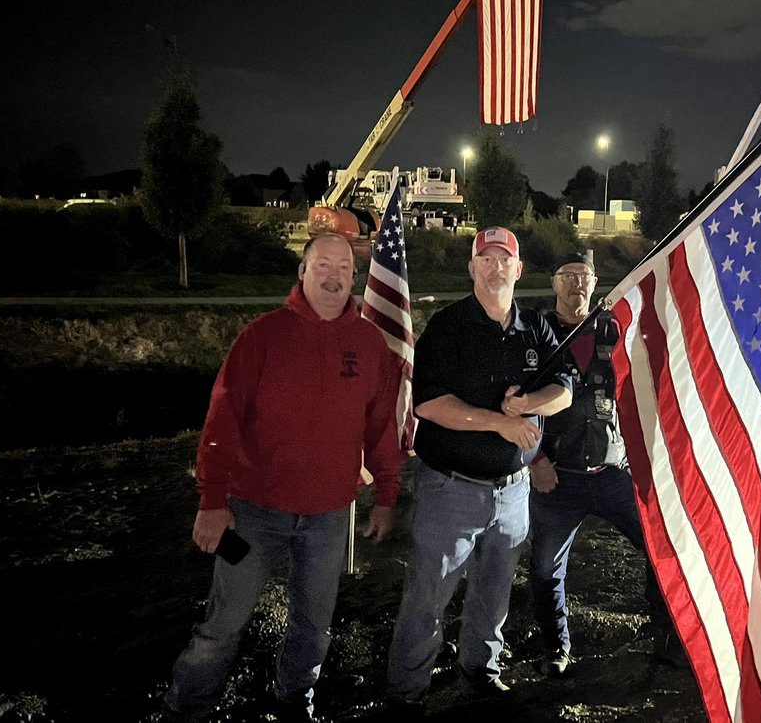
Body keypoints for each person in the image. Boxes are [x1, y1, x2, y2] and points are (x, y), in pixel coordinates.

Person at [162, 210, 405, 721]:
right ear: (302, 271)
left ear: (354, 276)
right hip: (253, 512)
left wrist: (386, 493)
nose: (333, 276)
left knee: (313, 624)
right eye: (322, 265)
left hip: (329, 516)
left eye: (344, 267)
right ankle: (188, 707)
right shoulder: (263, 336)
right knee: (224, 623)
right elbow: (222, 419)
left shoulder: (369, 345)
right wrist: (211, 502)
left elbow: (381, 426)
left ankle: (296, 699)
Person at [385, 226, 573, 719]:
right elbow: (428, 405)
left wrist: (529, 404)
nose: (495, 267)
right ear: (471, 268)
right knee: (428, 596)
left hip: (512, 495)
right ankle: (407, 692)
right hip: (451, 490)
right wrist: (500, 422)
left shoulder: (536, 328)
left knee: (493, 594)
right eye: (485, 259)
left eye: (503, 259)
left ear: (519, 268)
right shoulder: (448, 327)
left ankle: (481, 671)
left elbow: (564, 390)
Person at [528, 252, 678, 677]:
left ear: (595, 283)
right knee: (544, 569)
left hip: (613, 471)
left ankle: (665, 636)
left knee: (659, 548)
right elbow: (518, 397)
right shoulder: (535, 335)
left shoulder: (615, 328)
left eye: (584, 276)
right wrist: (536, 459)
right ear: (553, 282)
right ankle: (556, 649)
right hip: (557, 477)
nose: (576, 283)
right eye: (567, 275)